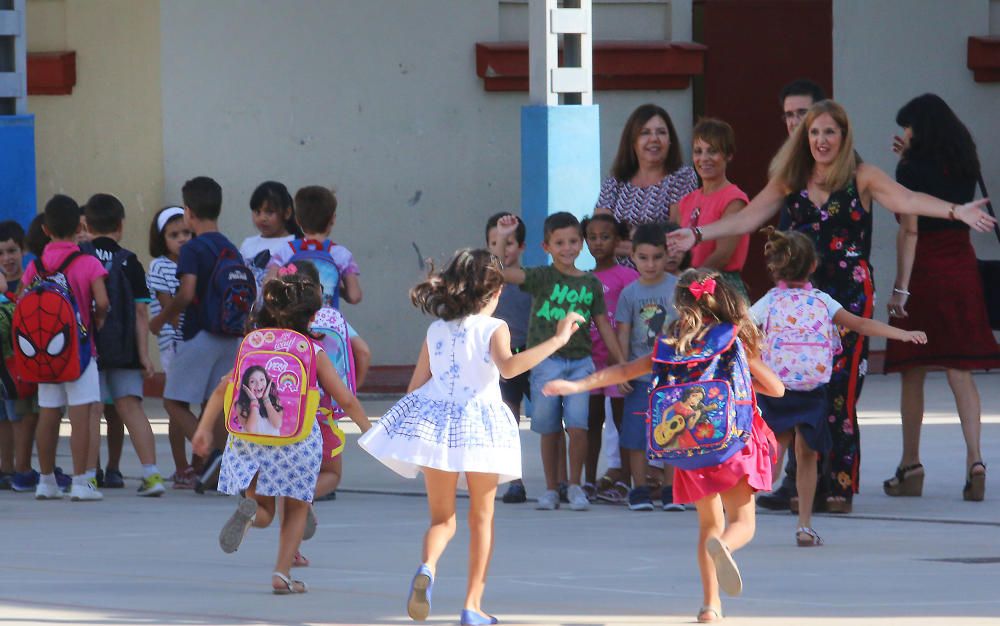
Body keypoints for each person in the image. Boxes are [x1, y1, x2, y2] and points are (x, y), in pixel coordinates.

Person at [666, 100, 996, 513]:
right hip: (798, 302)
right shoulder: (791, 178)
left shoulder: (862, 176)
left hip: (848, 294)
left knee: (841, 389)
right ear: (805, 139)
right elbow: (747, 219)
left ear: (843, 137)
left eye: (830, 132)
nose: (822, 140)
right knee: (796, 386)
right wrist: (697, 234)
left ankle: (839, 483)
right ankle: (803, 484)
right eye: (814, 133)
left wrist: (955, 211)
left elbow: (908, 200)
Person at [542, 268, 785, 623]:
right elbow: (776, 389)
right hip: (733, 444)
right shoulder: (732, 341)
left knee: (707, 527)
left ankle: (709, 606)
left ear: (680, 304)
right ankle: (727, 547)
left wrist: (577, 386)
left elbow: (623, 372)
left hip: (687, 447)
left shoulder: (669, 347)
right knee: (742, 523)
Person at [358, 248, 585, 625]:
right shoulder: (495, 328)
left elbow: (416, 386)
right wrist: (557, 340)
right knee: (482, 518)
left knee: (441, 521)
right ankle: (472, 606)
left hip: (436, 428)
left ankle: (428, 567)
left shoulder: (436, 330)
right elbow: (510, 368)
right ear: (495, 293)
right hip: (480, 427)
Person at [193, 273, 370, 594]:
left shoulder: (254, 343)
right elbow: (344, 397)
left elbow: (223, 388)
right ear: (312, 315)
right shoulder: (312, 351)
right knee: (297, 505)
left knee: (263, 507)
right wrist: (370, 430)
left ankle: (249, 516)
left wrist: (204, 429)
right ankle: (282, 574)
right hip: (295, 440)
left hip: (251, 438)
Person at [752, 228, 926, 546]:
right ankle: (804, 525)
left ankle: (740, 514)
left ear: (774, 267)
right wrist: (901, 334)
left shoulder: (769, 301)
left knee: (771, 455)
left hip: (776, 387)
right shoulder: (822, 300)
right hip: (812, 389)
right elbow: (860, 324)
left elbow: (741, 330)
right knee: (807, 457)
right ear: (814, 266)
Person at [883, 94, 1000, 502]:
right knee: (960, 371)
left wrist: (901, 288)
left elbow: (910, 229)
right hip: (962, 269)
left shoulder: (909, 170)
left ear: (920, 129)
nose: (904, 134)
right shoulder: (965, 161)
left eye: (908, 128)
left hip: (925, 273)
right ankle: (976, 461)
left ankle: (910, 465)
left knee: (912, 369)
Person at [495, 213, 626, 511]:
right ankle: (552, 488)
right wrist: (503, 236)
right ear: (546, 246)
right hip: (546, 362)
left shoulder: (590, 283)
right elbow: (499, 272)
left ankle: (575, 486)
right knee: (549, 427)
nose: (567, 248)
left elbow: (604, 325)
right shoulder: (541, 277)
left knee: (578, 426)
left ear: (580, 244)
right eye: (559, 243)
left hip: (581, 364)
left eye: (572, 242)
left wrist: (620, 364)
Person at [150, 177, 252, 490]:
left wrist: (161, 320)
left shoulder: (193, 248)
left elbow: (186, 292)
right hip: (230, 335)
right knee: (215, 403)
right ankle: (222, 472)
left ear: (189, 211)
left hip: (199, 334)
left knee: (173, 402)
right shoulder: (230, 246)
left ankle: (211, 456)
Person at [761, 78, 827, 512]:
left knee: (831, 399)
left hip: (833, 293)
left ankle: (834, 484)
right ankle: (790, 486)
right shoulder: (786, 172)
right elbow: (754, 213)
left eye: (803, 113)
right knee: (788, 415)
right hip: (793, 294)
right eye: (789, 114)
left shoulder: (847, 169)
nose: (795, 122)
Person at [18, 195, 109, 501]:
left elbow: (22, 302)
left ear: (45, 229)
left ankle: (45, 480)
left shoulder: (35, 266)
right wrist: (96, 321)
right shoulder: (89, 262)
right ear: (80, 225)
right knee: (81, 415)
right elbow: (104, 301)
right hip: (81, 354)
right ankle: (82, 482)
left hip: (46, 354)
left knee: (48, 413)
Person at [82, 193, 165, 496]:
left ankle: (88, 476)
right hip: (126, 349)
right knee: (131, 407)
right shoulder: (130, 261)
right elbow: (141, 313)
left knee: (91, 411)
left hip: (88, 350)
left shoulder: (79, 257)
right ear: (120, 225)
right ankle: (152, 474)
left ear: (86, 225)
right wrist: (144, 356)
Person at [613, 222, 682, 511]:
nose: (650, 264)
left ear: (668, 255)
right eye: (643, 257)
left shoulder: (678, 288)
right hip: (640, 377)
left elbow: (686, 329)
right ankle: (639, 489)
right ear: (634, 257)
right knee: (636, 435)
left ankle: (671, 491)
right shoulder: (629, 293)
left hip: (672, 375)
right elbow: (624, 333)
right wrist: (623, 368)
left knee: (673, 434)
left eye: (656, 257)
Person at [595, 103, 698, 263]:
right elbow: (598, 240)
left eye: (661, 132)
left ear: (670, 140)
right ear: (633, 141)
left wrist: (628, 240)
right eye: (645, 133)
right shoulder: (615, 181)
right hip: (616, 278)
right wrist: (650, 243)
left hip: (659, 276)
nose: (654, 139)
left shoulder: (682, 177)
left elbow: (674, 240)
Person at [581, 214, 638, 499]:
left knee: (621, 421)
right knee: (590, 421)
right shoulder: (581, 279)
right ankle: (588, 480)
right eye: (592, 237)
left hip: (619, 362)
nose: (598, 242)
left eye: (605, 236)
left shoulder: (629, 277)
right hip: (590, 363)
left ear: (618, 241)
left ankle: (624, 481)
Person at [485, 212, 534, 504]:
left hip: (532, 352)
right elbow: (494, 267)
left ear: (524, 247)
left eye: (510, 242)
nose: (504, 248)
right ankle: (514, 481)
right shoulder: (490, 280)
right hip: (504, 357)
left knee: (551, 419)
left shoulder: (531, 278)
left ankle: (563, 482)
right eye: (495, 242)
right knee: (508, 420)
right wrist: (503, 236)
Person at [672, 118, 750, 297]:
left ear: (728, 155)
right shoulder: (686, 201)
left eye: (712, 151)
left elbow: (723, 255)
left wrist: (692, 282)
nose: (704, 158)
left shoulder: (734, 199)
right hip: (690, 285)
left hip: (722, 287)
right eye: (698, 151)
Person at [147, 206, 195, 488]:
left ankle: (199, 461)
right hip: (175, 345)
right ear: (162, 238)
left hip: (196, 341)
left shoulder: (196, 260)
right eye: (174, 234)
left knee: (189, 404)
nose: (182, 239)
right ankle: (182, 465)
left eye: (186, 232)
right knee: (177, 405)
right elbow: (170, 309)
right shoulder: (160, 266)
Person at [266, 185, 361, 308]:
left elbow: (268, 285)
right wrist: (337, 289)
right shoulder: (340, 254)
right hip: (327, 324)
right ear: (332, 219)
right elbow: (354, 296)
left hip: (294, 323)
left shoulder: (286, 250)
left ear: (297, 220)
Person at [0, 220, 38, 492]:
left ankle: (17, 468)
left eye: (12, 251)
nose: (6, 258)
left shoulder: (31, 282)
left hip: (20, 364)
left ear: (23, 250)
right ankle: (6, 468)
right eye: (0, 253)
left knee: (18, 415)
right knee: (3, 417)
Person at [240, 181, 301, 298]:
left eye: (269, 212)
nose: (263, 218)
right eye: (258, 212)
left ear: (287, 212)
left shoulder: (295, 245)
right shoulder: (248, 244)